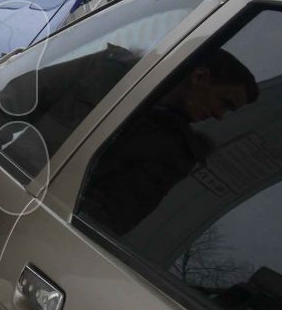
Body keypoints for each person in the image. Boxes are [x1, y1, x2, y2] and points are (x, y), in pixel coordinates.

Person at [80, 47, 259, 235]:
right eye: (224, 102)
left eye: (228, 110)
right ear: (199, 77)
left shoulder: (171, 154)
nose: (219, 115)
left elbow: (99, 220)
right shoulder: (111, 75)